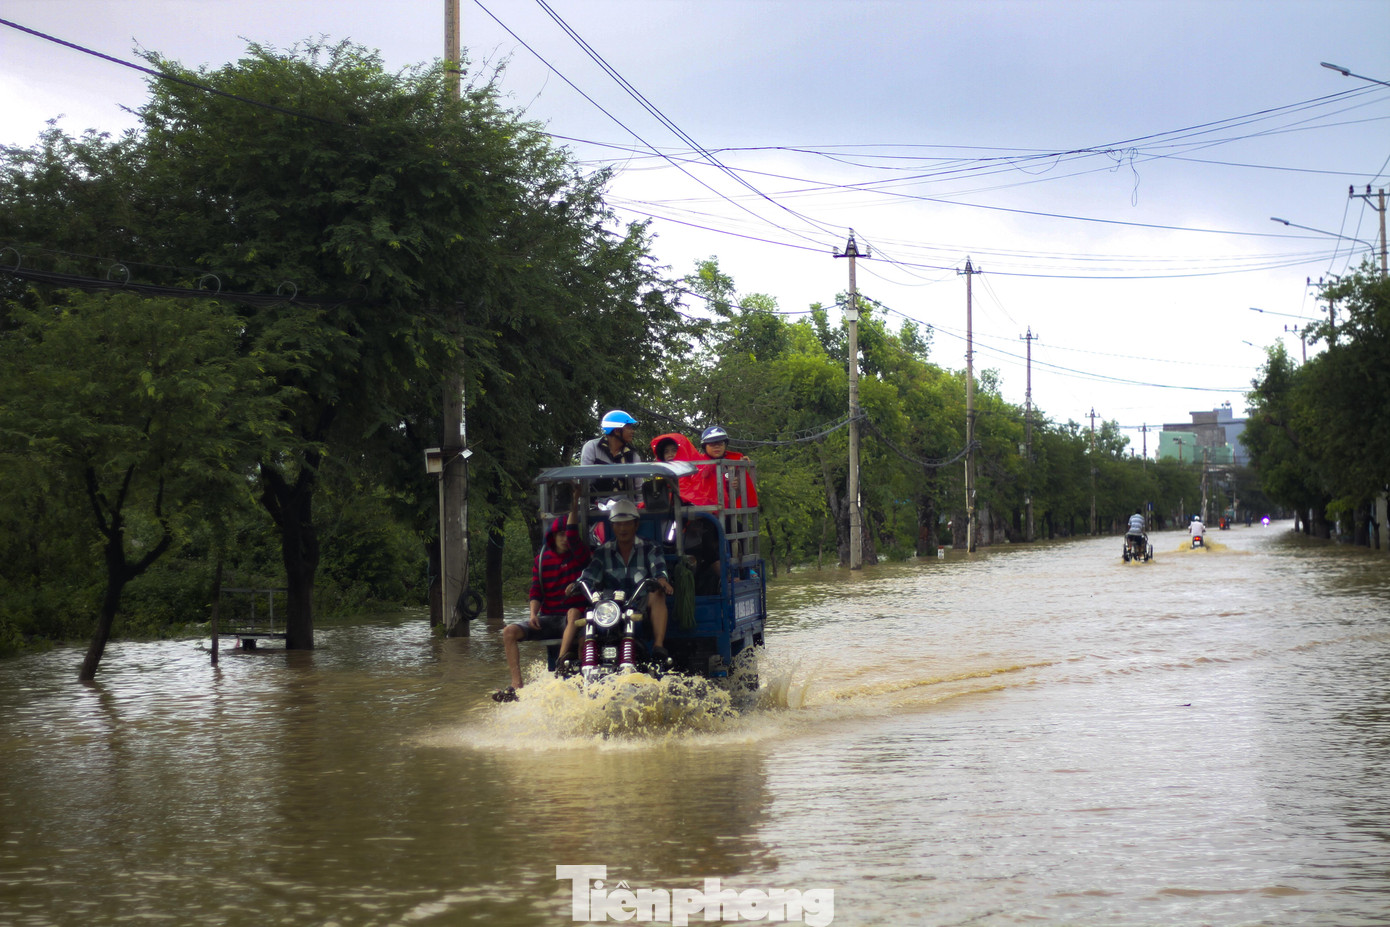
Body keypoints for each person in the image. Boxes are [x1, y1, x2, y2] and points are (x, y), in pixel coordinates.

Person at [493, 487, 590, 702]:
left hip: (573, 618)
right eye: (561, 534)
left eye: (567, 534)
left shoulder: (580, 555)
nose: (565, 538)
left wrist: (575, 501)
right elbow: (536, 589)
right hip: (549, 617)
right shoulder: (541, 559)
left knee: (574, 612)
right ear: (553, 536)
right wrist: (533, 614)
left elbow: (575, 537)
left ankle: (561, 664)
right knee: (508, 632)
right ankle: (516, 685)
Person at [568, 498, 674, 662]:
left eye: (627, 523)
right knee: (586, 627)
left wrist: (661, 580)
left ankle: (658, 646)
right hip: (611, 605)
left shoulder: (650, 547)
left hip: (639, 602)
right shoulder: (603, 551)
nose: (622, 528)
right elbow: (590, 573)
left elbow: (659, 568)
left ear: (636, 525)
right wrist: (578, 583)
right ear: (612, 527)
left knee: (657, 594)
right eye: (618, 524)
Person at [580, 409, 643, 497]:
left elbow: (639, 488)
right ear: (617, 431)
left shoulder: (633, 456)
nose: (632, 431)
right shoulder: (592, 447)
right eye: (629, 428)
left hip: (626, 508)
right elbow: (585, 482)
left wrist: (640, 508)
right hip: (595, 508)